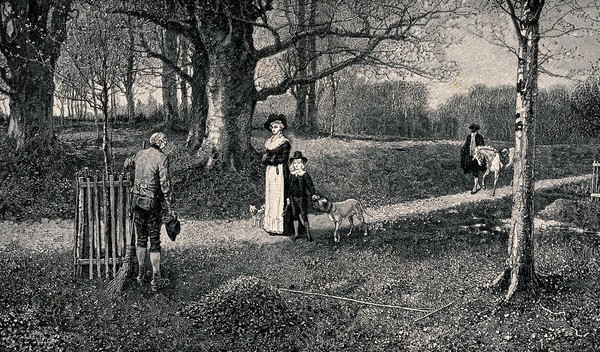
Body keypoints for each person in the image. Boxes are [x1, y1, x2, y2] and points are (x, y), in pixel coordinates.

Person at [124, 132, 175, 292]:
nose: (165, 146)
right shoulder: (162, 158)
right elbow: (165, 184)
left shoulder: (140, 154)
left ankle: (140, 275)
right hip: (152, 204)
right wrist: (169, 204)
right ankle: (156, 279)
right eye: (165, 143)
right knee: (154, 241)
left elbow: (127, 163)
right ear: (161, 143)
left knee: (141, 239)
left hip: (136, 202)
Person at [262, 114, 292, 235]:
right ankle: (270, 226)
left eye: (276, 127)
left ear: (282, 127)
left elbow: (283, 159)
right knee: (271, 196)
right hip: (270, 172)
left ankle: (281, 227)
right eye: (272, 127)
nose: (273, 129)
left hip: (280, 172)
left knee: (280, 197)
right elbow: (264, 158)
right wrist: (269, 159)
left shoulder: (285, 143)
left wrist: (270, 159)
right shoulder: (269, 142)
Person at [287, 151, 319, 242]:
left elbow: (310, 185)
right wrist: (288, 198)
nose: (297, 165)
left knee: (304, 215)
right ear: (293, 164)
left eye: (298, 163)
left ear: (302, 164)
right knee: (294, 215)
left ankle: (308, 234)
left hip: (302, 197)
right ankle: (296, 234)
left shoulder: (304, 174)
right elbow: (288, 186)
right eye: (295, 163)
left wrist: (313, 194)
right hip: (293, 197)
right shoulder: (291, 174)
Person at [460, 123, 486, 194]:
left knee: (475, 170)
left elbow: (481, 147)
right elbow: (466, 145)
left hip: (477, 156)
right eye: (471, 128)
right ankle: (476, 184)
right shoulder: (469, 137)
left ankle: (475, 186)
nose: (472, 130)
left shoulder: (479, 137)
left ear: (476, 129)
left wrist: (477, 154)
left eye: (473, 129)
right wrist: (463, 149)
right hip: (470, 155)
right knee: (469, 168)